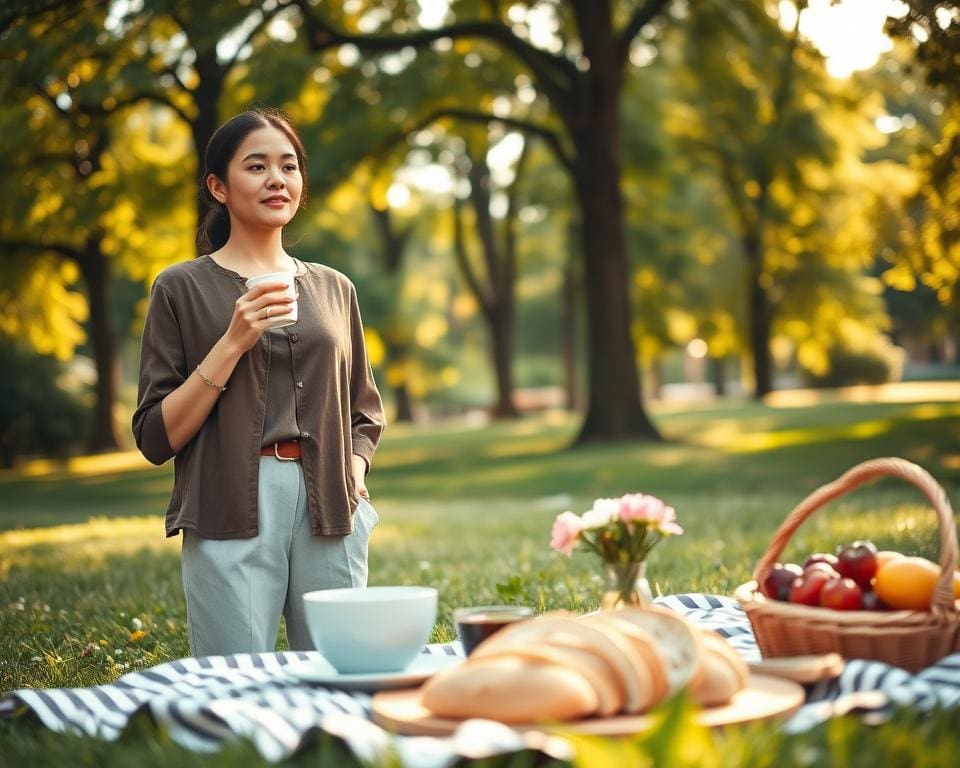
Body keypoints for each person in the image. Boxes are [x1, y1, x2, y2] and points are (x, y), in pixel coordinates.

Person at [132, 107, 385, 657]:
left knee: (343, 672)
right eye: (257, 166)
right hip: (229, 503)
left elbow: (364, 412)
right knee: (232, 681)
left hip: (332, 503)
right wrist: (233, 341)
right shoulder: (179, 288)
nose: (277, 179)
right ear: (218, 186)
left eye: (289, 166)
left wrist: (356, 470)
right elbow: (154, 436)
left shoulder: (336, 289)